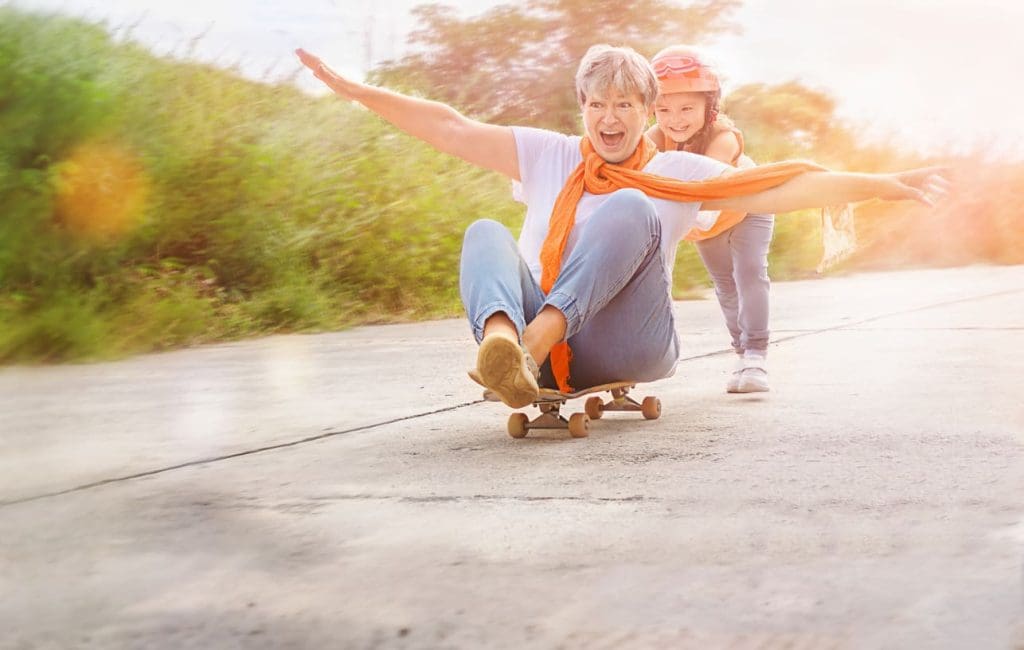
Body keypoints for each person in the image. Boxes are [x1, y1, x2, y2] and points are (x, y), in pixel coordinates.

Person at [295, 45, 946, 409]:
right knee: (484, 232)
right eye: (598, 104)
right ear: (582, 107)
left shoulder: (677, 167)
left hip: (632, 343)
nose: (610, 118)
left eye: (626, 105)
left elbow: (782, 186)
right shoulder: (547, 154)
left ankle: (532, 341)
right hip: (539, 360)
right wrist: (356, 91)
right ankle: (504, 349)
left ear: (648, 112)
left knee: (632, 206)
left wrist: (886, 184)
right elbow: (449, 125)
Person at [645, 44, 774, 393]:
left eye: (687, 108)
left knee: (749, 273)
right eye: (663, 109)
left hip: (747, 204)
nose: (675, 119)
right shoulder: (658, 138)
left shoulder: (723, 137)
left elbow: (705, 186)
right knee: (724, 284)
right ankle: (741, 353)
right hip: (705, 219)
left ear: (710, 106)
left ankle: (757, 357)